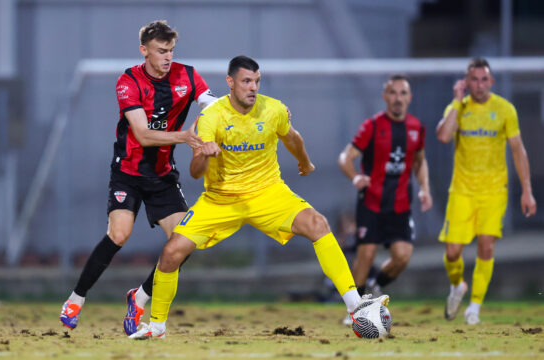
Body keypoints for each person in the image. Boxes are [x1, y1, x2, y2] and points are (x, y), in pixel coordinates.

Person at [128, 55, 389, 339]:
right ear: (230, 83)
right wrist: (205, 152)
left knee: (318, 224)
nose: (253, 87)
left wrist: (305, 162)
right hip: (221, 200)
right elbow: (194, 172)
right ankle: (156, 327)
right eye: (246, 81)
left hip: (268, 193)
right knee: (171, 252)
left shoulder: (273, 108)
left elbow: (293, 137)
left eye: (256, 81)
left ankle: (356, 308)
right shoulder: (211, 117)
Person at [59, 20, 217, 335]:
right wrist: (186, 137)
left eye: (171, 50)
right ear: (144, 50)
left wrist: (245, 112)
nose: (168, 57)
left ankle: (140, 296)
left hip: (162, 175)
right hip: (128, 172)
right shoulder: (128, 81)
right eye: (161, 51)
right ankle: (76, 299)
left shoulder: (188, 75)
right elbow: (143, 135)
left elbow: (213, 105)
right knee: (119, 234)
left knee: (184, 243)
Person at [436, 57, 537, 325]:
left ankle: (475, 307)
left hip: (494, 191)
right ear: (466, 82)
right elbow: (444, 136)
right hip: (462, 191)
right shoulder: (458, 107)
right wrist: (457, 101)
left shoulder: (505, 109)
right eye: (474, 79)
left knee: (486, 245)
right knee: (452, 252)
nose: (479, 85)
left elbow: (518, 150)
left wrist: (527, 190)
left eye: (484, 79)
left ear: (491, 82)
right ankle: (457, 286)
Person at [338, 74, 432, 325]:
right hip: (371, 202)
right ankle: (356, 310)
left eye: (403, 93)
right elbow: (345, 158)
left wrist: (425, 188)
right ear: (385, 96)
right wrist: (356, 178)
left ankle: (375, 286)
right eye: (393, 93)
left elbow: (420, 161)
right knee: (365, 254)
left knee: (402, 256)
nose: (398, 98)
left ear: (409, 98)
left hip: (400, 205)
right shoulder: (372, 126)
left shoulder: (416, 128)